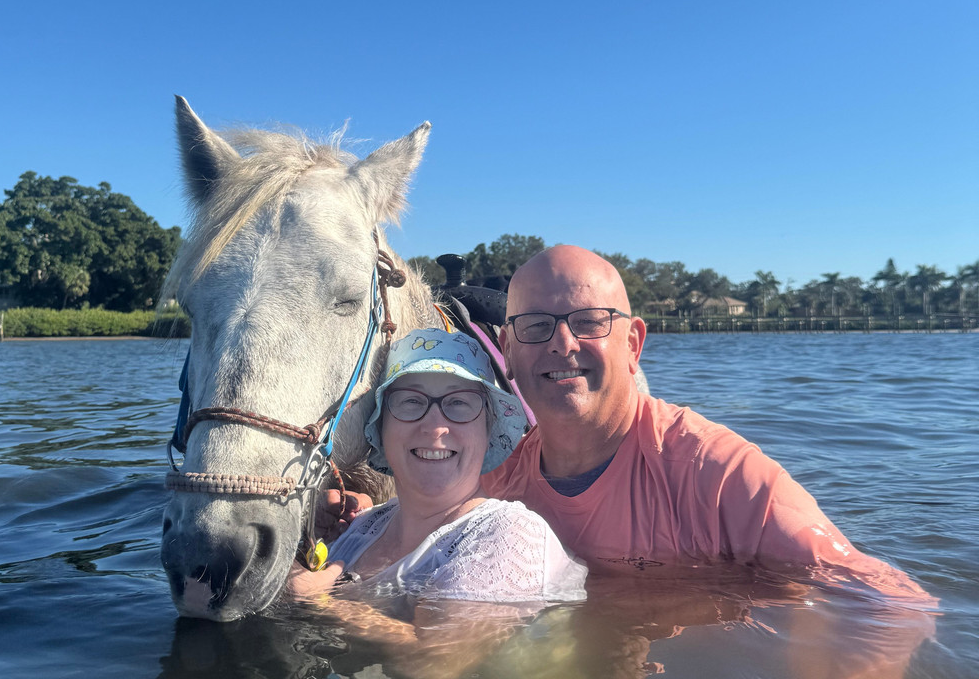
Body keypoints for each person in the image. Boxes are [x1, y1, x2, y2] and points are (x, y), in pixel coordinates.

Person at [479, 245, 928, 595]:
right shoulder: (494, 486)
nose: (563, 343)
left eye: (589, 322)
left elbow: (886, 596)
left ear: (633, 344)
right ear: (508, 352)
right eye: (535, 325)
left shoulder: (715, 474)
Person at [290, 326, 587, 604]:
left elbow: (444, 655)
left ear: (489, 429)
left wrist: (314, 601)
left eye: (459, 403)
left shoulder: (508, 536)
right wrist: (304, 531)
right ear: (381, 428)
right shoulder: (362, 527)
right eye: (411, 402)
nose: (434, 427)